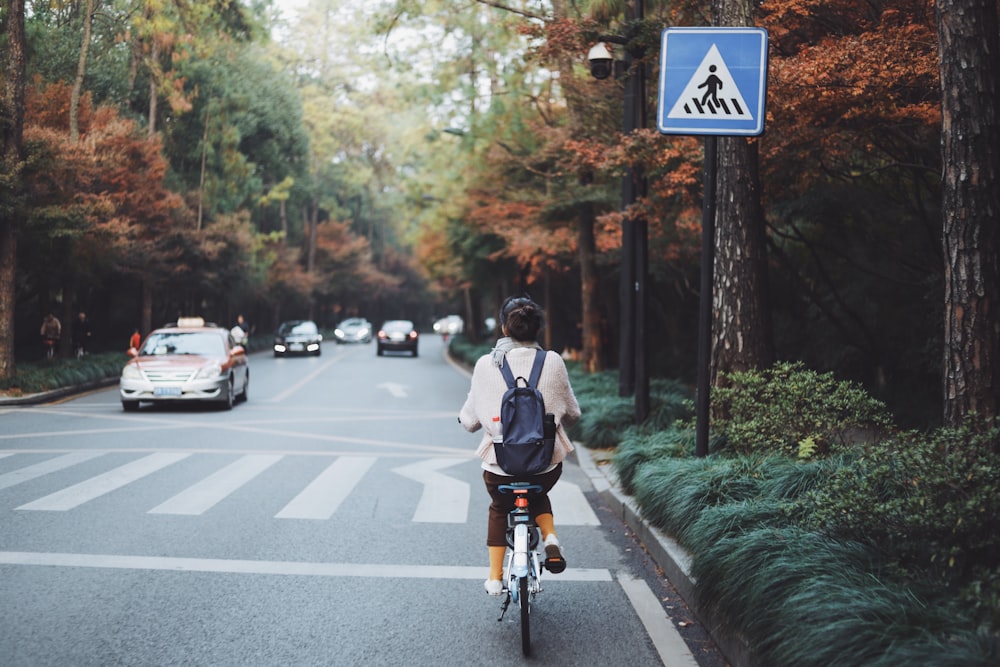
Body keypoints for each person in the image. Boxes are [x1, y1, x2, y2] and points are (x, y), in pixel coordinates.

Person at [459, 295, 582, 596]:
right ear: (537, 329)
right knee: (536, 489)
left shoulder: (486, 364)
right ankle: (550, 536)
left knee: (500, 508)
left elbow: (471, 420)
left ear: (504, 328)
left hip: (499, 465)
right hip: (544, 464)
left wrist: (467, 420)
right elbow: (574, 414)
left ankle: (494, 577)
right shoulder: (553, 361)